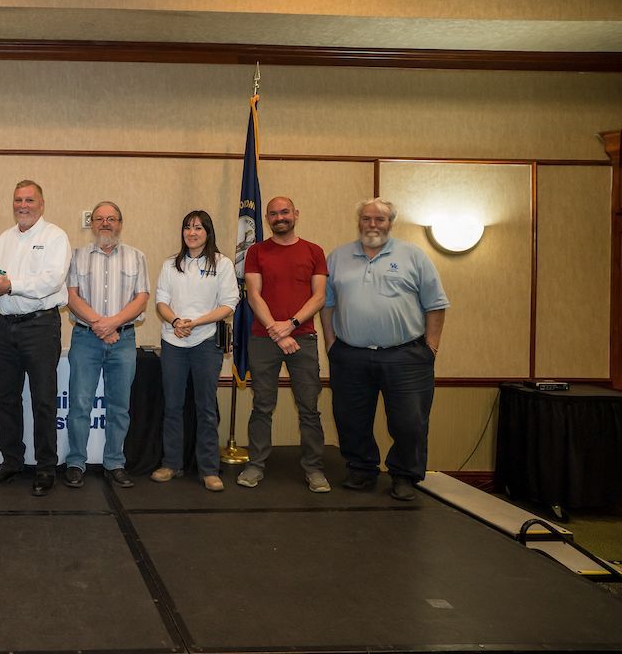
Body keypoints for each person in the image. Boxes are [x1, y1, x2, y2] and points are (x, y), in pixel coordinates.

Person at [320, 197, 449, 501]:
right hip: (350, 355)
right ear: (359, 222)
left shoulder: (413, 256)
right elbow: (326, 304)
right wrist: (331, 344)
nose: (372, 224)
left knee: (409, 422)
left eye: (380, 219)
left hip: (406, 356)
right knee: (350, 419)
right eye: (366, 218)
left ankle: (404, 475)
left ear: (391, 223)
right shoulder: (338, 257)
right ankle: (361, 469)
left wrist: (431, 347)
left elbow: (436, 304)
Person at [0, 180, 71, 497]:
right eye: (18, 200)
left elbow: (52, 281)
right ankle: (11, 462)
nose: (23, 205)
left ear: (41, 204)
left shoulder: (55, 237)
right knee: (4, 397)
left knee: (43, 399)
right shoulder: (4, 239)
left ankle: (46, 467)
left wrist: (9, 285)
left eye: (30, 200)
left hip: (40, 327)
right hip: (5, 327)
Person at [236, 196, 330, 493]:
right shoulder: (256, 251)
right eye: (274, 214)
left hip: (303, 338)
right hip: (263, 339)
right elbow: (254, 295)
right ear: (267, 219)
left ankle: (314, 469)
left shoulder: (314, 251)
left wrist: (290, 325)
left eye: (285, 212)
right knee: (262, 405)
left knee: (309, 407)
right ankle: (256, 464)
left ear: (296, 214)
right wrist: (277, 332)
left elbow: (319, 297)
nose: (280, 217)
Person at [64, 201, 150, 489]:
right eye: (99, 218)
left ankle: (115, 463)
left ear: (120, 224)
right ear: (92, 224)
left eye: (111, 219)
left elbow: (141, 299)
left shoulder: (137, 257)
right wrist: (101, 325)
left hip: (123, 340)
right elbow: (71, 297)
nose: (105, 223)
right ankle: (76, 462)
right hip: (85, 339)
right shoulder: (77, 256)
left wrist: (112, 324)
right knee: (79, 404)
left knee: (119, 406)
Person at [152, 210, 239, 492]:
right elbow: (161, 302)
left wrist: (195, 322)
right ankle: (171, 464)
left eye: (198, 228)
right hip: (173, 341)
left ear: (208, 232)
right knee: (172, 406)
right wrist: (176, 321)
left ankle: (209, 469)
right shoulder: (170, 265)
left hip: (206, 342)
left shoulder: (222, 264)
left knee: (206, 407)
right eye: (188, 227)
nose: (192, 233)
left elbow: (228, 304)